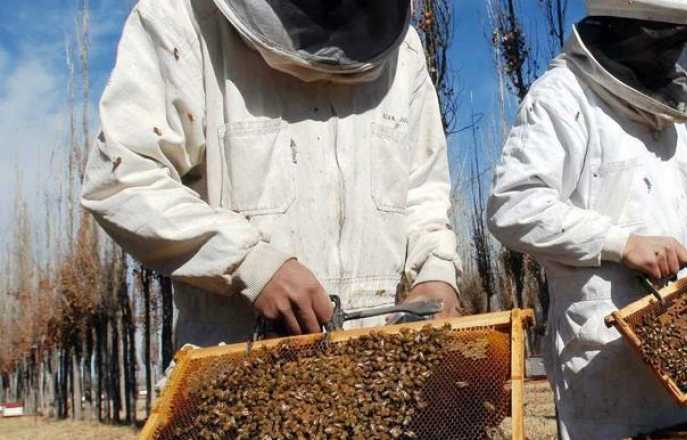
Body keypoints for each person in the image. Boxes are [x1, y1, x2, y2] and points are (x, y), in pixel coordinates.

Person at [82, 0, 462, 349]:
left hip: (375, 363)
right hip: (235, 360)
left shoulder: (405, 52)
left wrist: (436, 271)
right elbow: (123, 176)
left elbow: (421, 189)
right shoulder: (183, 19)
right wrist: (249, 263)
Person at [487, 0, 687, 438]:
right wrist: (622, 242)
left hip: (678, 352)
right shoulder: (562, 96)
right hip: (600, 363)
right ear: (636, 31)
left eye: (686, 43)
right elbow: (513, 205)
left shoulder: (671, 121)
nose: (676, 57)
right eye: (669, 41)